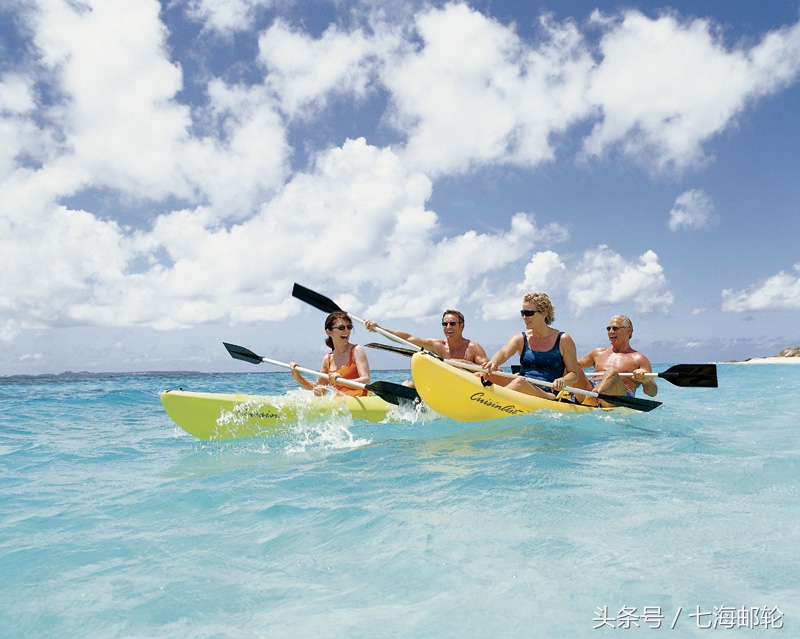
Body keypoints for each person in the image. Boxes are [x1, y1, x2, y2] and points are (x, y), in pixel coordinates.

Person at [481, 292, 583, 401]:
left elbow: (573, 374)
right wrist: (493, 362)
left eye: (529, 313)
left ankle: (489, 402)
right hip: (522, 384)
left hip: (547, 393)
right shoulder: (520, 338)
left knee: (519, 382)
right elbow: (504, 353)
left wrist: (563, 380)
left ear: (544, 313)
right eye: (523, 313)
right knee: (482, 375)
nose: (525, 317)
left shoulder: (563, 339)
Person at [364, 309, 488, 387]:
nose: (448, 327)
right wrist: (380, 329)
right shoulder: (437, 345)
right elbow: (407, 338)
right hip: (443, 387)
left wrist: (461, 363)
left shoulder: (472, 348)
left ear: (462, 326)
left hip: (466, 388)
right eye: (445, 324)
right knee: (407, 385)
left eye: (452, 323)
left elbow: (490, 371)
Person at [577, 315, 657, 406]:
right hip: (589, 390)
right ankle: (562, 394)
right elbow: (573, 365)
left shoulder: (639, 359)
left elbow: (652, 392)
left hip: (617, 397)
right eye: (608, 328)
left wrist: (645, 380)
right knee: (571, 366)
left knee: (612, 373)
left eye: (615, 328)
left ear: (628, 331)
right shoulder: (598, 352)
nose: (611, 331)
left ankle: (592, 398)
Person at [290, 311, 370, 396]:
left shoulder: (356, 350)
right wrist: (298, 377)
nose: (347, 331)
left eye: (349, 327)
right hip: (340, 403)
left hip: (359, 400)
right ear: (329, 332)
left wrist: (342, 381)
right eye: (341, 328)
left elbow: (366, 380)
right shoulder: (327, 359)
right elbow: (319, 392)